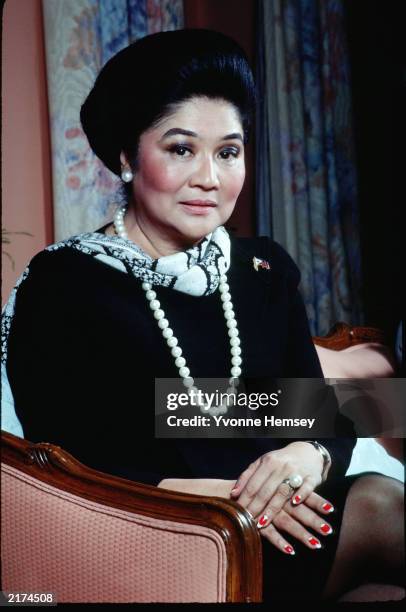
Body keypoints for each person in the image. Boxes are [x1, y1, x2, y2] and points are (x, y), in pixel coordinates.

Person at [2, 29, 403, 602]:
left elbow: (305, 411)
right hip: (159, 535)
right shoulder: (65, 282)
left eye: (229, 152)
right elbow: (63, 469)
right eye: (181, 149)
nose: (209, 179)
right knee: (379, 502)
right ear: (125, 155)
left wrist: (304, 453)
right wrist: (227, 495)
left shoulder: (263, 271)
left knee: (379, 494)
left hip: (278, 519)